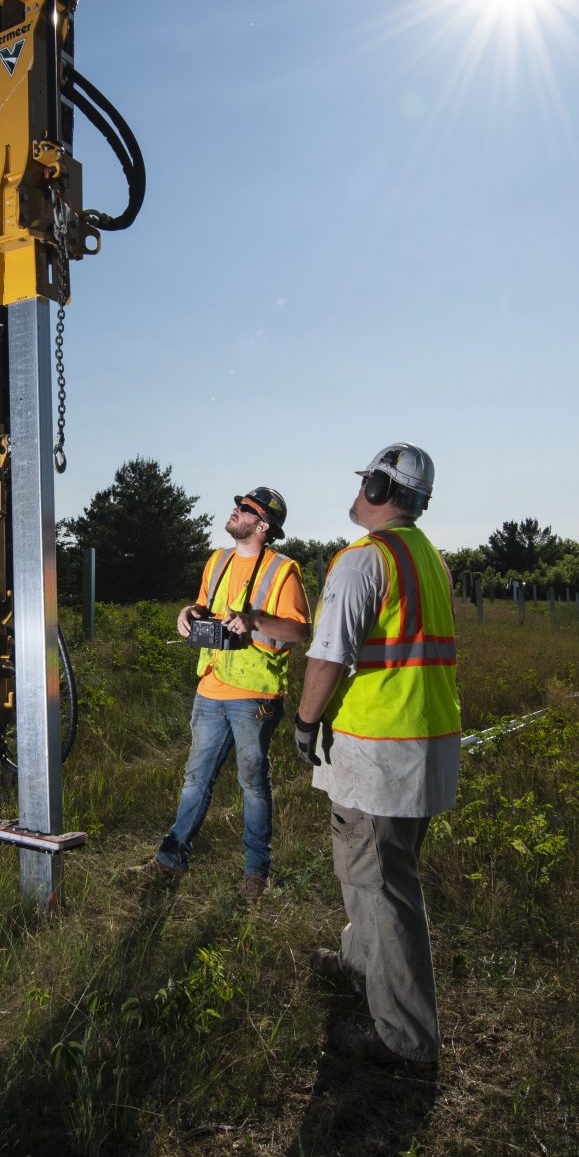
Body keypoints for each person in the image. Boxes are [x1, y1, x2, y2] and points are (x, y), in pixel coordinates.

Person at [294, 443, 458, 1071]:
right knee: (376, 874)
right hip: (425, 745)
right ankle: (362, 966)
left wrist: (307, 722)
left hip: (381, 753)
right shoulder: (429, 559)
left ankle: (407, 1040)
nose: (360, 490)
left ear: (383, 492)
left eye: (367, 481)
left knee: (384, 889)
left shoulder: (363, 563)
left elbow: (328, 656)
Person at [138, 486, 310, 899]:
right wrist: (189, 612)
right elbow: (203, 606)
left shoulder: (284, 571)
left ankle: (256, 874)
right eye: (237, 505)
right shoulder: (217, 560)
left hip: (255, 695)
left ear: (263, 526)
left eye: (245, 509)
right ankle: (170, 861)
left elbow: (301, 631)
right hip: (211, 687)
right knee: (195, 779)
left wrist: (254, 621)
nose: (235, 510)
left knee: (252, 783)